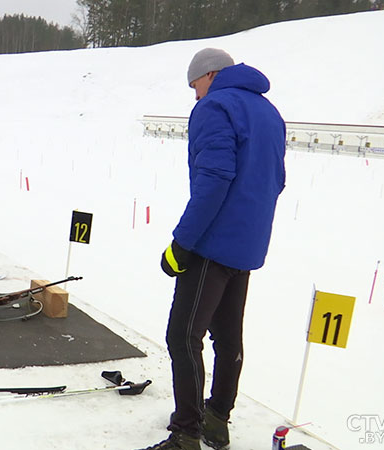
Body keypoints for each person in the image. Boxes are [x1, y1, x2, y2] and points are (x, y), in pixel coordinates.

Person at [140, 49, 286, 450]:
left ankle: (186, 432)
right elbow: (277, 179)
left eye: (195, 86)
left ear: (211, 74)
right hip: (248, 244)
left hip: (213, 243)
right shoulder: (269, 112)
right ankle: (218, 418)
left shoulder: (215, 107)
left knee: (183, 336)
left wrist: (182, 244)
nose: (195, 97)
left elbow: (215, 180)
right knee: (227, 336)